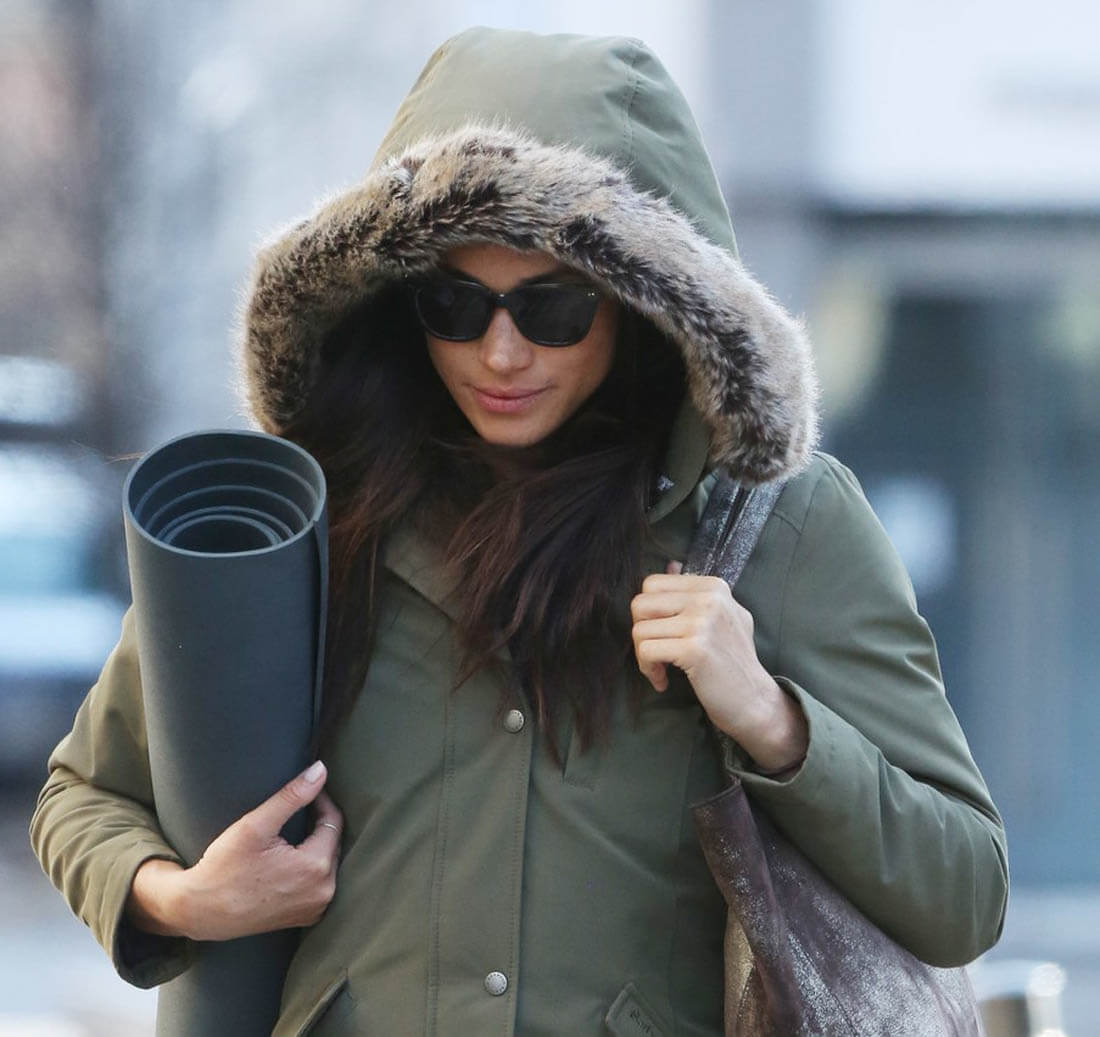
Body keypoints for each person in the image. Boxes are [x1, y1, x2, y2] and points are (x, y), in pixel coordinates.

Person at [30, 26, 1007, 1036]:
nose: (499, 353)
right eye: (455, 303)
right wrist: (186, 899)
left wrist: (771, 718)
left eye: (554, 307)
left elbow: (964, 887)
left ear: (640, 302)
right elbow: (83, 793)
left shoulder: (776, 522)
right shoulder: (310, 517)